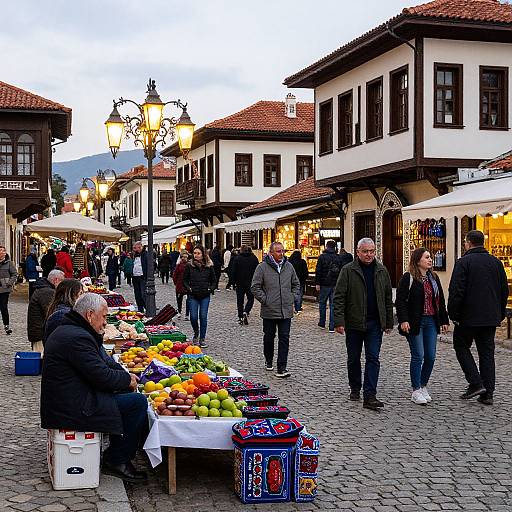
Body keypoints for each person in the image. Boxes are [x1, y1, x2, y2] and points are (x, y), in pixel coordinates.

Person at [41, 293, 148, 482]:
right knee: (137, 402)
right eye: (104, 317)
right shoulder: (77, 337)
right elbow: (102, 377)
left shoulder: (72, 330)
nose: (105, 323)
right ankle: (117, 459)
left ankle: (117, 452)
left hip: (72, 397)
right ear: (90, 315)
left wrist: (123, 378)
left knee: (125, 394)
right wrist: (127, 380)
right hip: (73, 407)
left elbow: (100, 367)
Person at [448, 230, 508, 406]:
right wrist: (500, 312)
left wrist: (453, 314)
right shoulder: (496, 263)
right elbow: (504, 290)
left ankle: (476, 383)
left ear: (468, 243)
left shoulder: (463, 262)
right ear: (483, 242)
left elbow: (456, 291)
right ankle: (488, 393)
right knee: (487, 353)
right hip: (490, 316)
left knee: (460, 346)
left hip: (468, 317)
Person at [333, 238, 393, 410]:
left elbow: (388, 297)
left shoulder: (382, 270)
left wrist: (388, 321)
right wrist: (339, 321)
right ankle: (355, 387)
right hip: (354, 322)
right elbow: (339, 298)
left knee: (373, 358)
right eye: (365, 251)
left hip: (375, 323)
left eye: (372, 251)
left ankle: (370, 394)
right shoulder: (348, 270)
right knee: (353, 358)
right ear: (358, 252)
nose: (369, 255)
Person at [395, 248, 449, 405]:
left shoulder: (434, 278)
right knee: (418, 355)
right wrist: (403, 320)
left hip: (431, 321)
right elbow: (400, 301)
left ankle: (423, 385)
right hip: (415, 322)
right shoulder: (409, 278)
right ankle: (416, 389)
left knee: (430, 356)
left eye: (430, 257)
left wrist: (444, 320)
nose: (430, 260)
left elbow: (440, 300)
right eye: (427, 257)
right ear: (418, 260)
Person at [251, 242, 300, 378]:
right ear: (271, 252)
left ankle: (282, 367)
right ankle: (268, 359)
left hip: (286, 310)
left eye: (282, 251)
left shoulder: (289, 267)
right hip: (269, 310)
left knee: (284, 337)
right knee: (269, 337)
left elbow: (296, 284)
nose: (281, 253)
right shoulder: (262, 267)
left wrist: (292, 297)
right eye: (278, 251)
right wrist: (265, 300)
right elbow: (255, 287)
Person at [315, 240, 353, 333]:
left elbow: (318, 271)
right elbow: (341, 271)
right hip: (335, 283)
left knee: (322, 303)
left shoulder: (322, 257)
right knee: (333, 305)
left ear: (326, 246)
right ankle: (332, 325)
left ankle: (322, 322)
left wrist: (317, 283)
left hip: (324, 283)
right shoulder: (338, 257)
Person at [183, 245, 216, 347]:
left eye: (198, 253)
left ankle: (202, 338)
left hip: (205, 295)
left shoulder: (209, 266)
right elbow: (184, 280)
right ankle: (196, 332)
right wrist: (189, 288)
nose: (196, 255)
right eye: (195, 253)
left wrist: (210, 289)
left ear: (203, 254)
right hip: (193, 295)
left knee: (203, 316)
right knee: (193, 317)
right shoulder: (189, 265)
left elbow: (214, 280)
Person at [27, 269, 65, 351]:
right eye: (62, 281)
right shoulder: (47, 292)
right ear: (56, 280)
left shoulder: (44, 289)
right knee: (41, 358)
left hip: (40, 332)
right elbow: (52, 312)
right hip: (40, 334)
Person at [44, 278, 84, 343]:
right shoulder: (62, 315)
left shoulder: (62, 310)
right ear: (71, 295)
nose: (83, 297)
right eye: (80, 294)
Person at [232, 245, 259, 325]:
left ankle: (240, 316)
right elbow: (257, 271)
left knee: (240, 301)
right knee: (251, 299)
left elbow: (233, 271)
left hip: (239, 283)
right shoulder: (254, 258)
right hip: (250, 282)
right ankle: (246, 311)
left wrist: (233, 282)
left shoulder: (237, 258)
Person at [0, 246, 18, 335]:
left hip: (4, 289)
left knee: (3, 307)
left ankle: (6, 326)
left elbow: (14, 274)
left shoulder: (9, 263)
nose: (1, 253)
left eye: (2, 251)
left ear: (5, 253)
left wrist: (9, 283)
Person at [289, 250, 309, 314]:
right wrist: (304, 278)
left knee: (292, 293)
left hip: (291, 280)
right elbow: (305, 272)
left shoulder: (290, 262)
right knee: (299, 294)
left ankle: (292, 306)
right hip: (300, 280)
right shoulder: (302, 262)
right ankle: (298, 307)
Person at [172, 251, 190, 319]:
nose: (184, 258)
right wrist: (176, 283)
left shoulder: (189, 265)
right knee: (179, 300)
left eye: (186, 257)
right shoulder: (178, 265)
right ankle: (179, 312)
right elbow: (175, 275)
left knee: (188, 300)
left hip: (187, 286)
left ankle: (187, 314)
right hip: (179, 285)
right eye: (183, 257)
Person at [132, 241, 148, 313]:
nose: (134, 249)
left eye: (135, 248)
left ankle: (147, 308)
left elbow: (148, 265)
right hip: (135, 277)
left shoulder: (145, 254)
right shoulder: (135, 255)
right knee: (137, 294)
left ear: (140, 247)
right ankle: (140, 309)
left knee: (143, 294)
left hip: (142, 277)